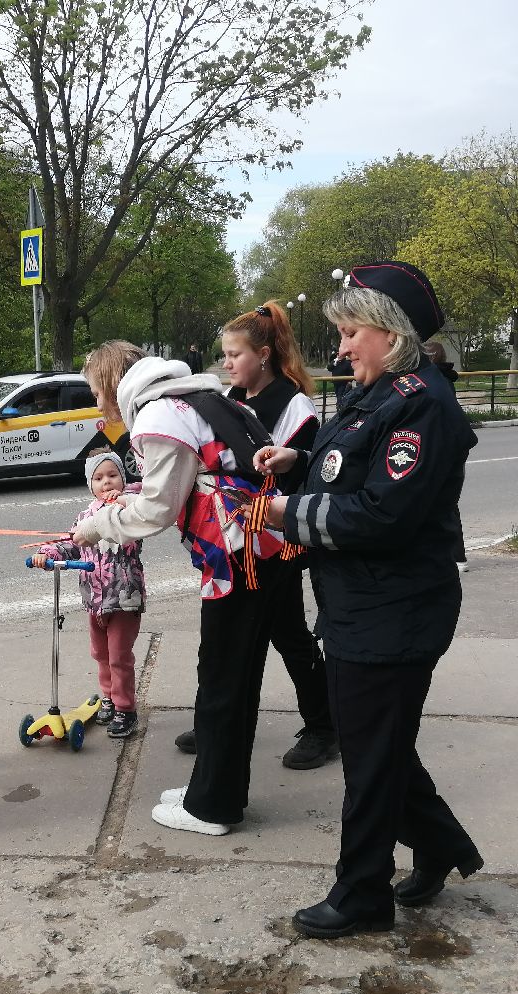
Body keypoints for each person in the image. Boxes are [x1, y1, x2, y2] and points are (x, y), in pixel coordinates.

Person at [255, 261, 483, 938]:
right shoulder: (381, 392)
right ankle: (442, 847)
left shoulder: (421, 404)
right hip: (365, 605)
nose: (344, 345)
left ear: (392, 333)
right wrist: (297, 464)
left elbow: (383, 515)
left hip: (395, 609)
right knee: (377, 747)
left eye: (354, 331)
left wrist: (284, 516)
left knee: (370, 757)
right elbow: (348, 462)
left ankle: (361, 895)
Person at [72, 340, 290, 837]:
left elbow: (156, 508)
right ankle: (213, 789)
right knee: (230, 677)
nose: (99, 405)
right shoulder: (199, 398)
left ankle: (212, 806)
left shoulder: (158, 418)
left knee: (222, 681)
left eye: (95, 392)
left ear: (111, 385)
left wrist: (98, 524)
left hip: (238, 559)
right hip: (260, 551)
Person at [170, 301, 334, 770]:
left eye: (234, 355)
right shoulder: (232, 402)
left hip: (274, 544)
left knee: (290, 638)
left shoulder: (295, 404)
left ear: (263, 354)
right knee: (220, 639)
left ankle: (324, 728)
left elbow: (300, 475)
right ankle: (214, 723)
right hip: (231, 543)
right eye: (224, 355)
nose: (226, 364)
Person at [34, 451, 147, 738]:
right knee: (100, 654)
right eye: (99, 478)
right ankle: (108, 697)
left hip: (123, 599)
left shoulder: (130, 510)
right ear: (90, 484)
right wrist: (47, 553)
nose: (106, 482)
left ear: (123, 478)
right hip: (94, 601)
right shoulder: (86, 515)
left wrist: (126, 496)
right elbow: (71, 544)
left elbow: (144, 497)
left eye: (112, 475)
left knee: (119, 656)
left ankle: (125, 708)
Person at [421, 342, 468, 573]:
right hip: (449, 443)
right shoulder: (445, 378)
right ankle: (457, 555)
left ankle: (456, 556)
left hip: (442, 444)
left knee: (443, 504)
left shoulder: (433, 380)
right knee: (447, 503)